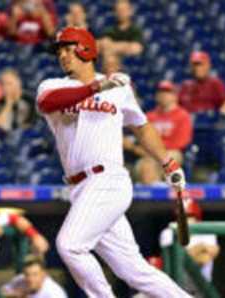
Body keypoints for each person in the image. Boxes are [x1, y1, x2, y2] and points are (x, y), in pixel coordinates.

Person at [36, 27, 190, 297]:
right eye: (59, 51)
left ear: (85, 49)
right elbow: (49, 103)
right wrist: (97, 87)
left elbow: (141, 127)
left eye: (67, 48)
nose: (62, 55)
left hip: (108, 180)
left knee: (70, 245)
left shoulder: (118, 90)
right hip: (81, 188)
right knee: (133, 270)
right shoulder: (53, 85)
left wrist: (168, 163)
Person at [133, 80, 193, 184]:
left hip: (173, 151)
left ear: (175, 96)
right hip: (152, 153)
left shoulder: (183, 115)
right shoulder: (150, 116)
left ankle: (158, 194)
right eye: (160, 92)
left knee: (162, 161)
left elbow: (182, 141)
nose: (163, 95)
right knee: (143, 165)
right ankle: (150, 191)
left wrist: (157, 147)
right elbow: (143, 139)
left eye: (167, 92)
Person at [1, 255, 67, 298]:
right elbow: (0, 293)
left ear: (43, 275)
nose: (30, 278)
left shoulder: (54, 293)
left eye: (35, 274)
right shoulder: (21, 279)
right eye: (27, 274)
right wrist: (14, 294)